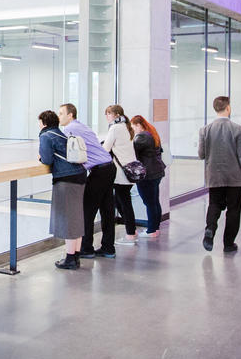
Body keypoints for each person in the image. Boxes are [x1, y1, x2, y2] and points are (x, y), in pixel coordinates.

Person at [59, 103, 117, 259]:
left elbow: (64, 150)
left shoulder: (69, 129)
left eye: (61, 113)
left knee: (86, 210)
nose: (59, 117)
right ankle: (108, 248)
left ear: (70, 115)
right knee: (107, 210)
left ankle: (86, 249)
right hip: (109, 167)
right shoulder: (81, 126)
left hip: (99, 171)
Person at [200, 96, 241, 252]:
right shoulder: (237, 129)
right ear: (228, 108)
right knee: (234, 210)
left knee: (214, 204)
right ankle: (229, 244)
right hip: (235, 178)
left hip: (214, 176)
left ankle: (210, 228)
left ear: (215, 108)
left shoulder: (205, 130)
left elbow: (201, 154)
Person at [40, 110, 89, 270]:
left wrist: (41, 157)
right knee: (76, 216)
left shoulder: (46, 136)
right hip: (80, 175)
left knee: (68, 219)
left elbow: (47, 159)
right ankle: (75, 256)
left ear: (44, 123)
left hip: (66, 179)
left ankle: (70, 259)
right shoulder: (62, 134)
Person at [103, 105, 140, 245]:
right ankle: (132, 230)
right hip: (130, 170)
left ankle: (131, 234)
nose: (107, 116)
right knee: (121, 201)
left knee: (124, 203)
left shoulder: (115, 128)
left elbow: (106, 148)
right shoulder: (126, 126)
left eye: (109, 114)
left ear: (117, 115)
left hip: (120, 172)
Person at [129, 115, 167, 239]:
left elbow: (131, 150)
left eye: (133, 127)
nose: (133, 130)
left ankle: (151, 230)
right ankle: (155, 228)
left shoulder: (142, 137)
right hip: (157, 172)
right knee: (154, 201)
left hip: (148, 174)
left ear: (138, 125)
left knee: (149, 203)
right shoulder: (152, 134)